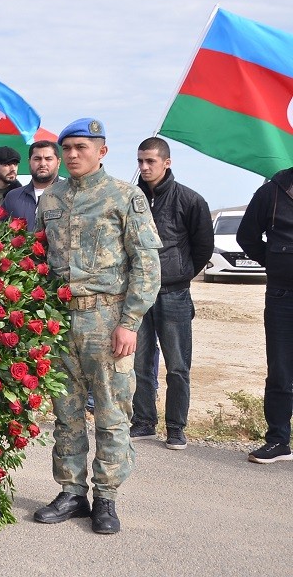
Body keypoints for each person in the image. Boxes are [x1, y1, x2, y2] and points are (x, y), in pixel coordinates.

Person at [32, 118, 160, 535]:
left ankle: (106, 497)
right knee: (65, 411)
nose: (72, 155)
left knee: (111, 411)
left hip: (107, 320)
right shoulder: (51, 199)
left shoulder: (125, 196)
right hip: (59, 320)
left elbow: (146, 264)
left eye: (81, 148)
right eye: (67, 148)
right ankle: (71, 492)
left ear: (101, 151)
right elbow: (36, 258)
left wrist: (130, 322)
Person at [130, 137, 212, 450]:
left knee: (177, 366)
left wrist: (180, 273)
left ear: (167, 162)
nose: (144, 167)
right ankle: (144, 421)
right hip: (139, 293)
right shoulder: (130, 198)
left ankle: (176, 427)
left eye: (150, 161)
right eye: (140, 161)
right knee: (140, 363)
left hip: (174, 294)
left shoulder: (190, 200)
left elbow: (203, 247)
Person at [237, 165, 293, 464]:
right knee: (280, 372)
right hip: (282, 296)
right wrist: (274, 261)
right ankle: (278, 441)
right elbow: (246, 236)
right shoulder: (272, 191)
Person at [3, 141, 62, 229]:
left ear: (58, 162)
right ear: (29, 162)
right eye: (37, 159)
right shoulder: (13, 197)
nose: (42, 164)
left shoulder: (71, 194)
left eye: (48, 159)